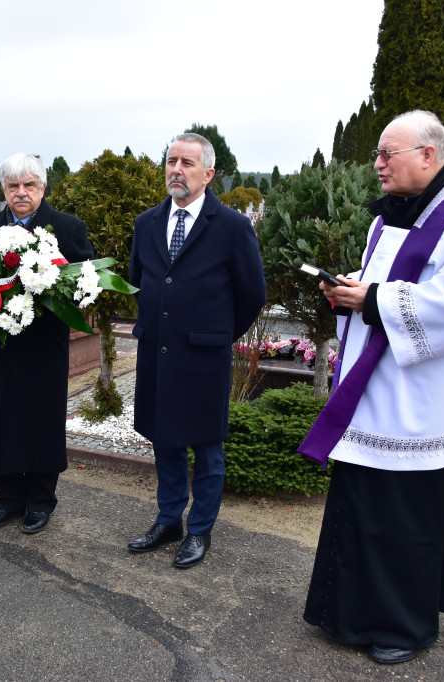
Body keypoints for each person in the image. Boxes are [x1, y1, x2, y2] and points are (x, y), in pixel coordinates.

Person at [299, 110, 444, 664]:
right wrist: (349, 293)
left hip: (424, 399)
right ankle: (344, 612)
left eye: (388, 154)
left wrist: (370, 300)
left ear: (428, 156)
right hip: (375, 390)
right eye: (378, 155)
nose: (377, 164)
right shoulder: (386, 219)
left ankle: (404, 626)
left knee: (405, 520)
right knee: (362, 503)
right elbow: (381, 288)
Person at [127, 133, 267, 568]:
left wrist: (217, 335)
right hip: (156, 352)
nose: (176, 170)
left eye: (187, 163)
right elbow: (139, 282)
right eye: (171, 161)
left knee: (206, 448)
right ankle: (169, 519)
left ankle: (200, 530)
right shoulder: (147, 223)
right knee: (164, 440)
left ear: (208, 173)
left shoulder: (232, 227)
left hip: (203, 356)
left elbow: (252, 294)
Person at [0, 153, 94, 534]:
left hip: (43, 347)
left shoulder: (67, 228)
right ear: (4, 191)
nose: (21, 193)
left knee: (40, 420)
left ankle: (40, 501)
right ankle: (7, 498)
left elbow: (85, 285)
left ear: (43, 187)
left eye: (29, 185)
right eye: (13, 186)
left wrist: (46, 294)